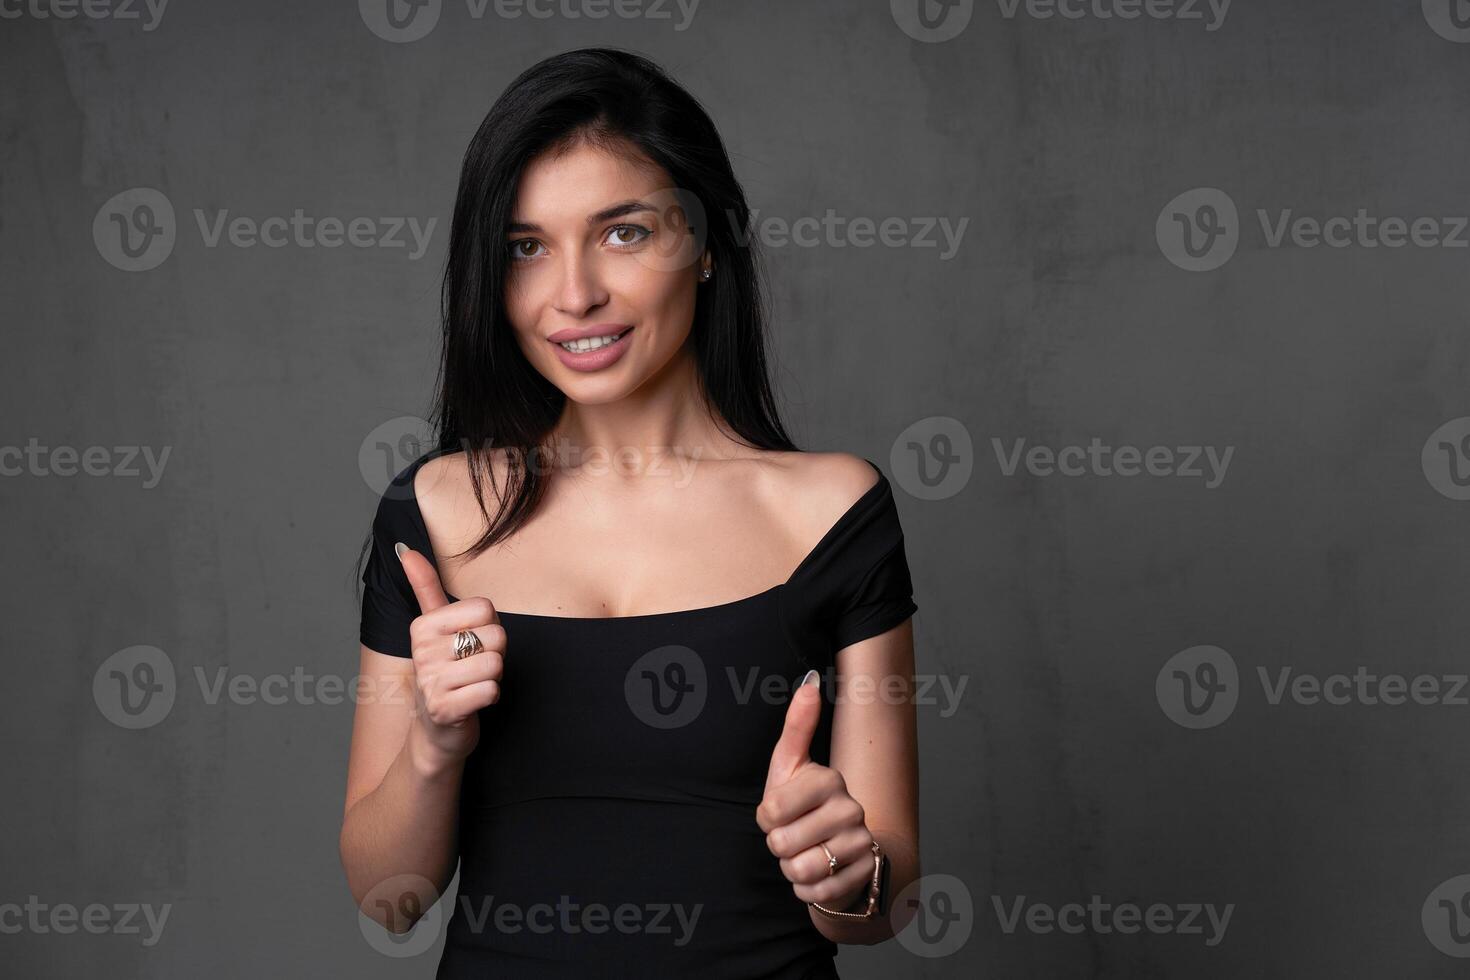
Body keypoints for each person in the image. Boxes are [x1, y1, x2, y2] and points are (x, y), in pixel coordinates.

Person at [339, 47, 921, 979]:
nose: (573, 295)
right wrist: (432, 749)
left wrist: (842, 870)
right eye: (526, 247)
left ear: (705, 246)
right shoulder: (435, 516)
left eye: (621, 233)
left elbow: (880, 908)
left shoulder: (833, 512)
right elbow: (390, 897)